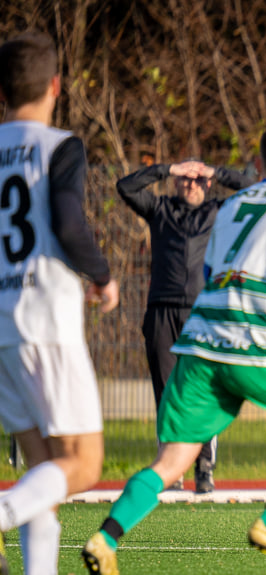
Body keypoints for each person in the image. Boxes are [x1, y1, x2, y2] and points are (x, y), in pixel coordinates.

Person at [81, 121, 266, 573]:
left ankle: (105, 540)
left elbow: (208, 274)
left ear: (258, 164)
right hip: (251, 346)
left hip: (199, 342)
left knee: (172, 460)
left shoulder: (229, 209)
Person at [0, 31, 120, 575]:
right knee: (84, 463)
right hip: (45, 316)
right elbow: (68, 222)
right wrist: (101, 274)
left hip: (2, 325)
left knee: (43, 470)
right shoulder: (59, 145)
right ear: (55, 85)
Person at [117, 157, 253, 493]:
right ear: (177, 181)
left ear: (207, 184)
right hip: (161, 311)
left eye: (197, 180)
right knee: (167, 392)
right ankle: (170, 468)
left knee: (203, 390)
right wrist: (168, 169)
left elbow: (255, 189)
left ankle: (204, 466)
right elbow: (125, 187)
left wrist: (216, 172)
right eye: (185, 179)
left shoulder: (219, 212)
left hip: (203, 312)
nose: (191, 185)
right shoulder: (159, 208)